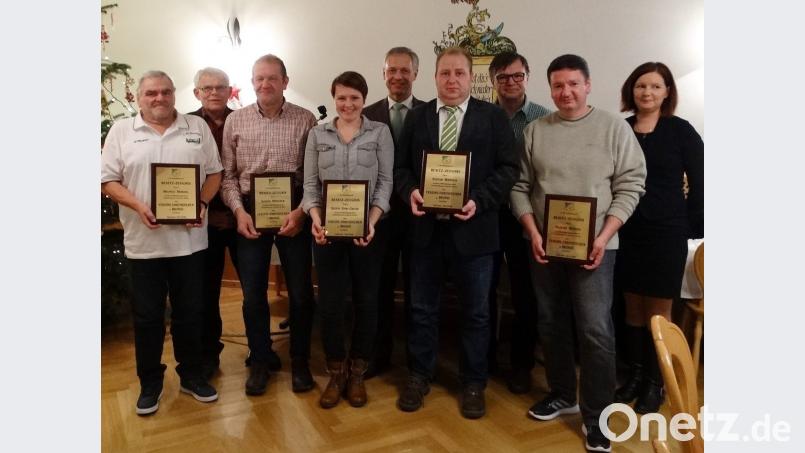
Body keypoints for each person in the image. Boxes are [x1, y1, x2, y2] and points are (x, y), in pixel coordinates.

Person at [510, 54, 646, 452]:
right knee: (550, 321)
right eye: (557, 85)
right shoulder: (535, 130)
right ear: (549, 88)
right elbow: (519, 186)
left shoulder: (614, 129)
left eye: (573, 84)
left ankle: (597, 415)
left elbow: (632, 184)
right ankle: (563, 393)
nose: (565, 92)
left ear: (587, 85)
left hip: (597, 249)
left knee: (595, 330)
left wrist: (604, 236)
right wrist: (532, 230)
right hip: (543, 246)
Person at [394, 47, 518, 419]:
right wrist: (410, 192)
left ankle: (474, 381)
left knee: (478, 312)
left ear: (470, 77)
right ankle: (419, 375)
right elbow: (400, 169)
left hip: (475, 232)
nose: (451, 80)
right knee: (421, 309)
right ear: (434, 77)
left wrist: (478, 201)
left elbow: (509, 169)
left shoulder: (493, 117)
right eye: (445, 73)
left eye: (459, 74)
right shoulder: (417, 118)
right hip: (425, 233)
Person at [101, 70, 222, 415]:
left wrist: (200, 203)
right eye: (151, 93)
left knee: (190, 313)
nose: (160, 98)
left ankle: (192, 375)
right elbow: (107, 179)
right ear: (139, 98)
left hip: (189, 243)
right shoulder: (123, 131)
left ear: (174, 95)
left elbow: (215, 172)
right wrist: (138, 205)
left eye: (166, 92)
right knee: (148, 317)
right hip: (144, 244)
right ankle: (150, 382)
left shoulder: (195, 128)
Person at [220, 54, 317, 396]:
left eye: (272, 78)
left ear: (285, 82)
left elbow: (314, 179)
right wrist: (238, 212)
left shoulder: (306, 121)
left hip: (294, 212)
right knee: (252, 296)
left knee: (302, 294)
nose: (265, 84)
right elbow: (228, 177)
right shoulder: (236, 122)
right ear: (252, 82)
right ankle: (259, 359)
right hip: (250, 214)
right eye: (259, 79)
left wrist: (302, 212)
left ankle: (300, 361)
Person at [614, 62, 704, 414]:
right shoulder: (621, 129)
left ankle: (656, 382)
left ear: (667, 91)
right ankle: (635, 375)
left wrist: (692, 226)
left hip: (667, 230)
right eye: (641, 86)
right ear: (631, 90)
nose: (647, 93)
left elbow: (700, 180)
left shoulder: (681, 131)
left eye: (655, 86)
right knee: (632, 306)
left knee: (659, 311)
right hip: (627, 229)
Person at [302, 71, 394, 408]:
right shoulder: (317, 134)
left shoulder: (380, 132)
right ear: (334, 98)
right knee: (329, 304)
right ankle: (336, 370)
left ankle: (357, 371)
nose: (348, 104)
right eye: (341, 97)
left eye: (354, 98)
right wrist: (314, 219)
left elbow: (385, 183)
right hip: (325, 234)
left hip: (368, 233)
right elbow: (310, 184)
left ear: (364, 100)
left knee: (367, 301)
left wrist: (371, 222)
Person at [486, 51, 550, 393]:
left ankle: (522, 363)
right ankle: (485, 358)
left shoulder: (544, 118)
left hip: (529, 219)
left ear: (527, 76)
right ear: (493, 80)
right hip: (488, 215)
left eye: (517, 76)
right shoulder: (480, 115)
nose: (510, 82)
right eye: (503, 77)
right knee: (486, 288)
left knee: (526, 292)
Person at [362, 46, 426, 378]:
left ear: (416, 74)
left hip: (420, 218)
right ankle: (378, 355)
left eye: (405, 70)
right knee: (379, 288)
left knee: (419, 290)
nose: (398, 76)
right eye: (392, 70)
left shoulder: (431, 113)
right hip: (379, 217)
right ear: (383, 73)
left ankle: (417, 362)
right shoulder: (367, 114)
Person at [188, 67, 236, 380]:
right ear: (197, 93)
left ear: (230, 90)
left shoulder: (244, 119)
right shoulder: (185, 124)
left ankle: (261, 350)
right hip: (201, 222)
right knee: (206, 292)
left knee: (255, 290)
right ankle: (209, 353)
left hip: (241, 218)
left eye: (220, 87)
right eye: (207, 88)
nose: (214, 93)